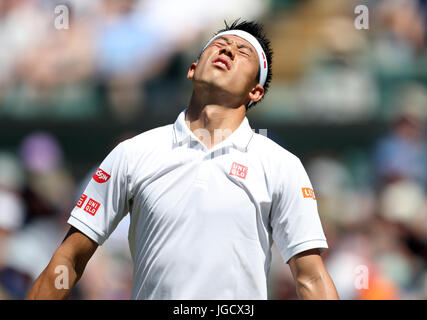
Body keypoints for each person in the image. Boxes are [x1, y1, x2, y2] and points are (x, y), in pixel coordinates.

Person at [26, 20, 338, 300]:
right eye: (219, 44)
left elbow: (310, 277)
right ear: (192, 69)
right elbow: (69, 259)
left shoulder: (281, 165)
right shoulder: (132, 153)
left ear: (256, 91)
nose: (228, 50)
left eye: (243, 52)